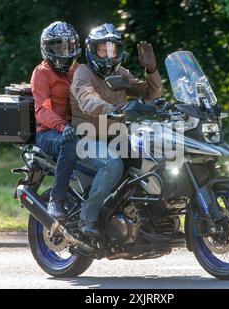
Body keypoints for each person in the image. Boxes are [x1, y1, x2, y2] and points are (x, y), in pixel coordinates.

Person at [70, 23, 163, 237]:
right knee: (112, 165)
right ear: (92, 51)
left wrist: (151, 71)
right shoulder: (83, 73)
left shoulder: (120, 72)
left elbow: (149, 93)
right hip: (86, 138)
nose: (108, 55)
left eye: (113, 49)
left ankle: (148, 216)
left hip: (116, 136)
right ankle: (87, 218)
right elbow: (87, 100)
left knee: (153, 158)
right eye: (103, 49)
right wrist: (111, 109)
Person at [31, 21, 81, 220]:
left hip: (76, 128)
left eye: (68, 46)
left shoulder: (78, 70)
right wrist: (63, 126)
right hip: (48, 132)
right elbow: (41, 109)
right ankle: (56, 199)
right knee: (71, 142)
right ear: (47, 48)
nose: (64, 51)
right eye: (58, 46)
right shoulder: (42, 73)